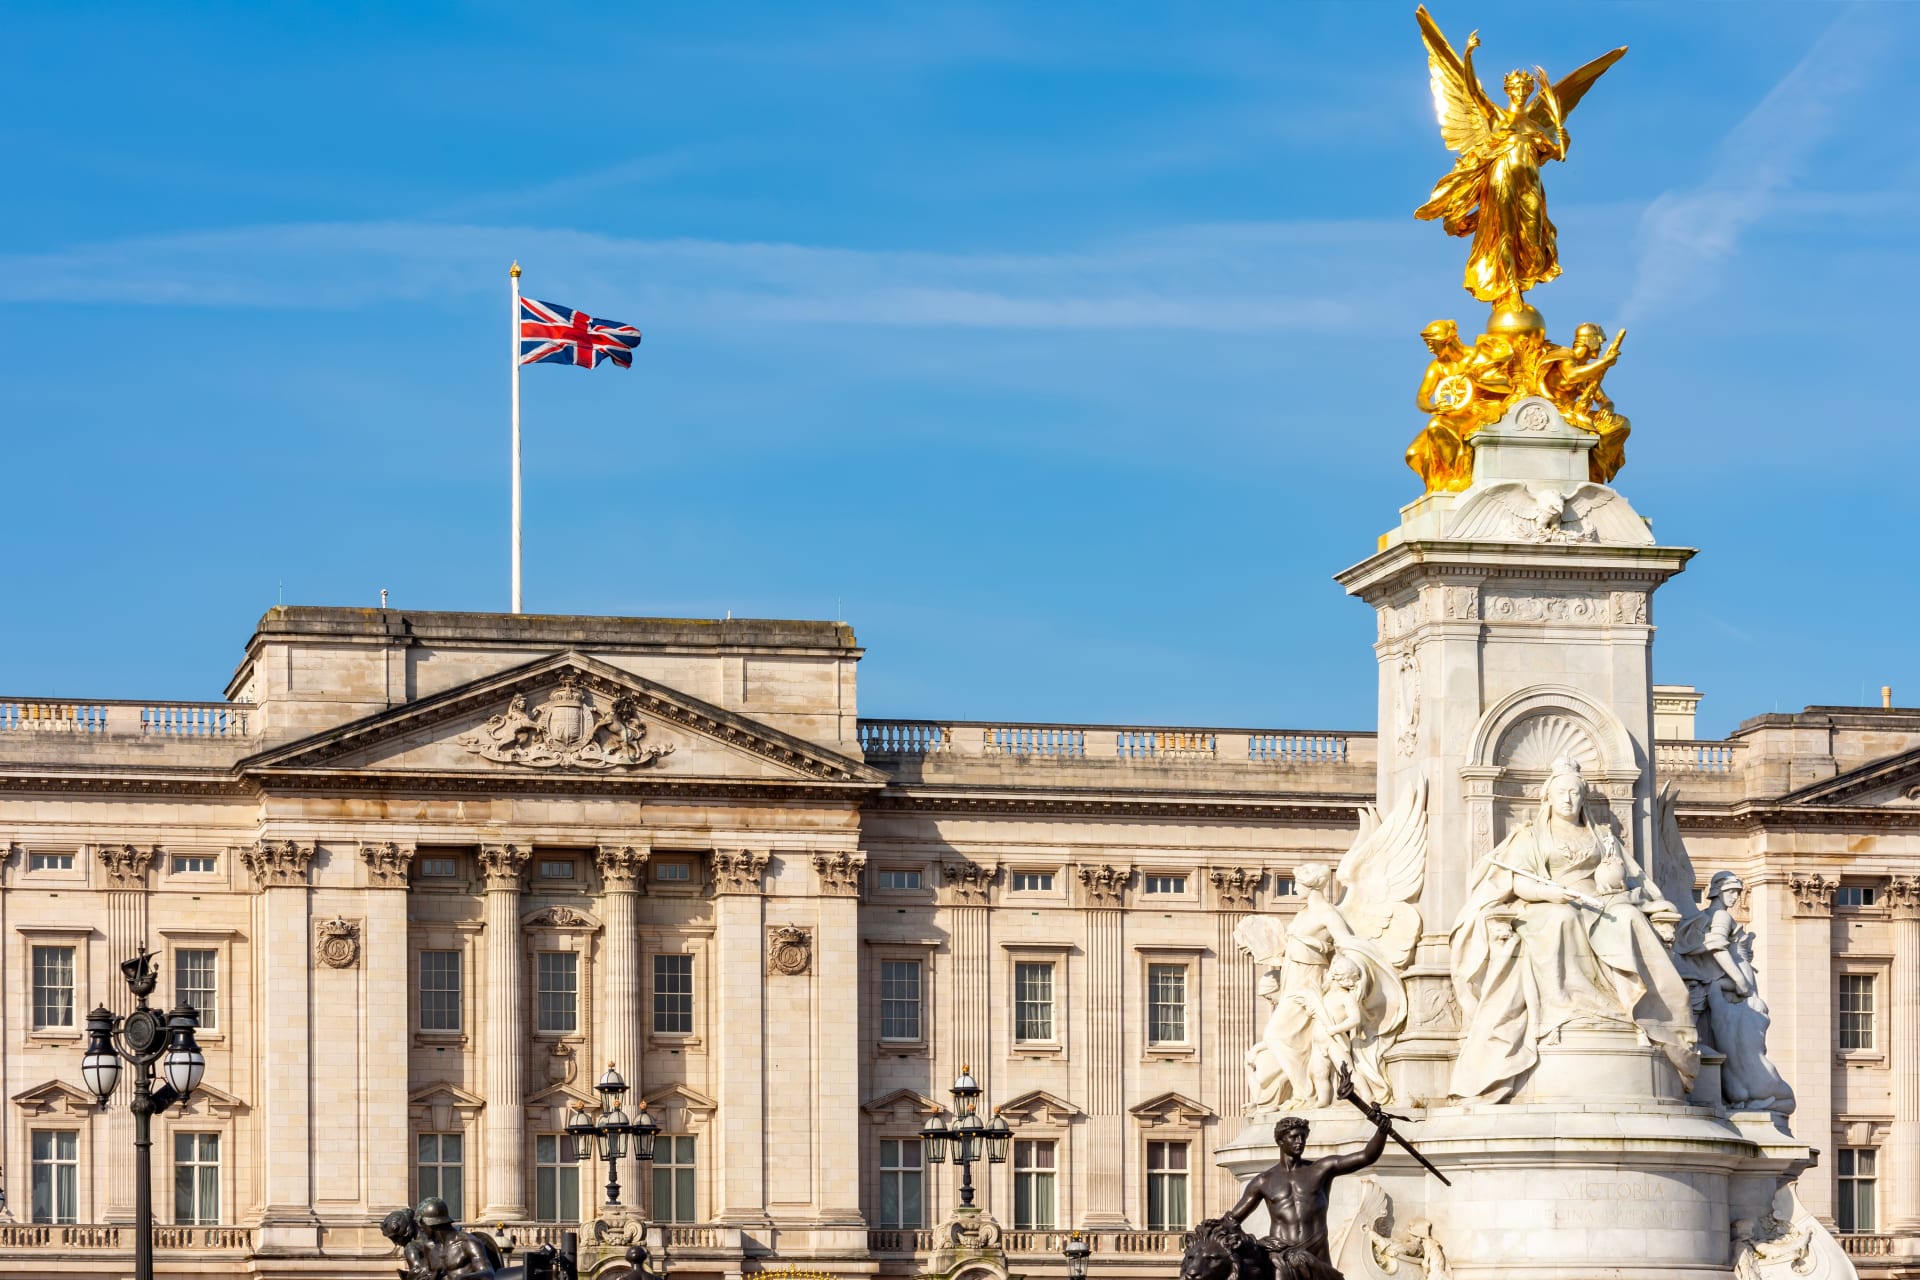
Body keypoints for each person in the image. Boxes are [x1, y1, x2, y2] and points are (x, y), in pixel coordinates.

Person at [1448, 757, 1696, 1100]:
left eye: (1575, 793)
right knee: (1560, 919)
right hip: (1548, 903)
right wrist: (1547, 892)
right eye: (1562, 793)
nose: (1568, 800)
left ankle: (1649, 1015)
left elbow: (1628, 877)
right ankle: (1561, 1013)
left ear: (1583, 799)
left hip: (1600, 901)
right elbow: (1516, 880)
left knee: (1630, 919)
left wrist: (1615, 878)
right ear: (1548, 797)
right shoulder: (1530, 835)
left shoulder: (1601, 836)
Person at [1674, 871, 1795, 1113]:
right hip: (1726, 984)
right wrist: (1740, 981)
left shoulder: (1709, 915)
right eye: (1730, 892)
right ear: (1717, 891)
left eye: (1737, 893)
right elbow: (1717, 946)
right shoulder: (1720, 915)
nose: (1734, 898)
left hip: (1717, 985)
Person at [1226, 1112, 1392, 1280]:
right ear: (1280, 1141)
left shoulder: (1320, 1169)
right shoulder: (1263, 1181)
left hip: (1317, 1257)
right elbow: (1232, 1221)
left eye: (1303, 1137)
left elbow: (1366, 1156)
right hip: (1282, 1261)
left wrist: (1381, 1132)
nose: (1300, 1141)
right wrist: (1255, 1246)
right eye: (1294, 1137)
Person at [1405, 319, 1515, 492]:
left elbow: (1506, 386)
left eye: (1432, 343)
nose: (1430, 348)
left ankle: (1460, 479)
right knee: (1414, 454)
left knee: (1437, 425)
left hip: (1484, 408)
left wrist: (1477, 380)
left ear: (1446, 340)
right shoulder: (1437, 366)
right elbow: (1422, 396)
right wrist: (1433, 408)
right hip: (1456, 413)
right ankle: (1436, 489)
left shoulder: (1478, 357)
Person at [1535, 322, 1630, 482]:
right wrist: (1603, 363)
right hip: (1554, 412)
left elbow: (1604, 400)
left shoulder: (1586, 369)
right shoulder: (1565, 355)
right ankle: (1590, 470)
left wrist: (1607, 408)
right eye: (1599, 343)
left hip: (1574, 413)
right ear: (1591, 341)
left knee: (1621, 424)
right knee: (1588, 424)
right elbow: (1572, 375)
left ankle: (1594, 468)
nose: (1600, 348)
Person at [412, 1197, 496, 1279]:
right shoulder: (429, 1247)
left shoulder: (468, 1243)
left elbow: (489, 1273)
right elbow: (430, 1274)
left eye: (421, 1224)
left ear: (431, 1223)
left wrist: (463, 1278)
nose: (420, 1229)